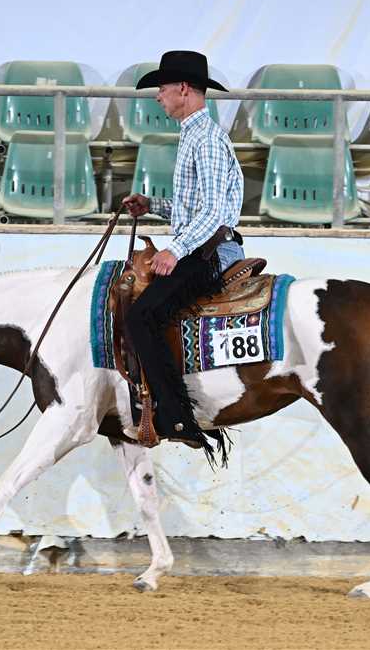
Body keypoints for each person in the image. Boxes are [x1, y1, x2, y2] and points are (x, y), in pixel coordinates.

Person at [121, 50, 245, 447]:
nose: (159, 96)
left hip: (209, 253)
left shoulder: (205, 139)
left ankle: (177, 418)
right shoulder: (195, 135)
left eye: (162, 88)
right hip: (201, 246)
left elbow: (213, 213)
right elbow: (194, 208)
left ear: (184, 89)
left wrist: (176, 249)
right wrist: (152, 205)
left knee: (142, 315)